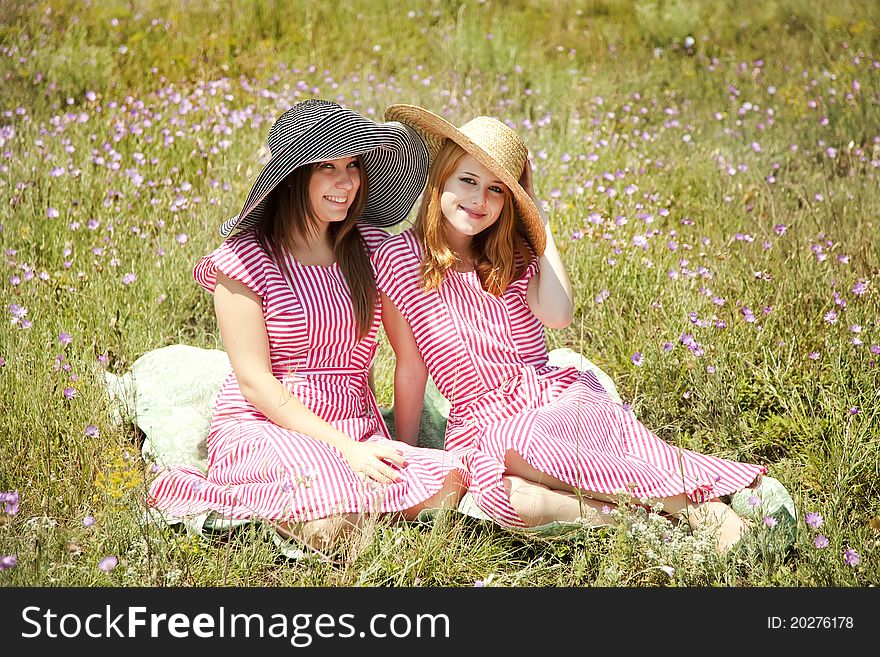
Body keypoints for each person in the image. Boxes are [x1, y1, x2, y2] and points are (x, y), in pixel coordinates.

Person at [372, 104, 768, 554]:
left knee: (517, 439)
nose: (479, 200)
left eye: (497, 190)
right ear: (441, 177)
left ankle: (694, 502)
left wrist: (538, 222)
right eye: (467, 181)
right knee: (511, 500)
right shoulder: (397, 258)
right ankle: (645, 521)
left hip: (549, 401)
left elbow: (558, 316)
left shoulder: (513, 256)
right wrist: (410, 457)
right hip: (478, 423)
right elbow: (409, 366)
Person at [148, 100, 465, 554]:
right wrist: (346, 449)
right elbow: (256, 385)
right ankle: (317, 509)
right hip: (267, 423)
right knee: (331, 523)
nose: (346, 182)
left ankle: (349, 505)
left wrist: (401, 449)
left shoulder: (369, 247)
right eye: (328, 166)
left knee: (453, 479)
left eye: (353, 165)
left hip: (353, 419)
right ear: (294, 176)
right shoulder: (244, 260)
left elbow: (410, 358)